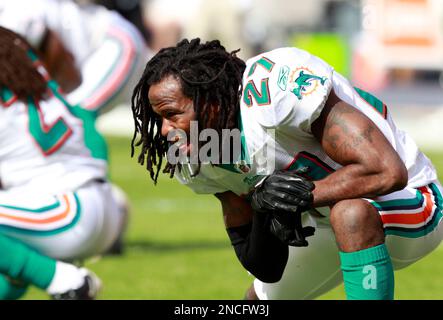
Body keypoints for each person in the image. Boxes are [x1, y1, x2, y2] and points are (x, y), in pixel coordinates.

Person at [130, 38, 443, 300]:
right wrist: (265, 208)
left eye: (171, 114)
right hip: (326, 224)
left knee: (350, 213)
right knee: (255, 302)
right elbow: (266, 267)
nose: (163, 130)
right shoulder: (204, 152)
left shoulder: (272, 91)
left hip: (411, 201)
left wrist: (297, 198)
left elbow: (386, 171)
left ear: (210, 101)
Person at [0, 26, 126, 299]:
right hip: (97, 206)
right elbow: (85, 120)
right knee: (8, 262)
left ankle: (65, 281)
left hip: (65, 212)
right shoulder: (25, 67)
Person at [0, 0, 150, 115]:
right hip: (81, 55)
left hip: (111, 44)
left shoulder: (19, 12)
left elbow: (49, 46)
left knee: (72, 119)